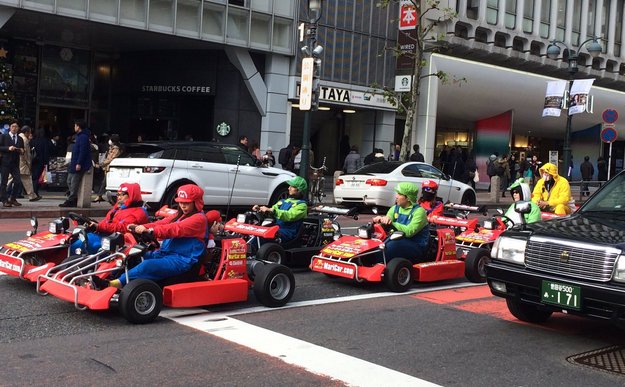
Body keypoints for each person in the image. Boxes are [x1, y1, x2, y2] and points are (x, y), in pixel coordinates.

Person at [96, 184, 213, 289]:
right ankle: (106, 277)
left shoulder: (198, 219)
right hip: (164, 253)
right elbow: (160, 223)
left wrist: (151, 231)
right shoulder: (180, 215)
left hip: (182, 259)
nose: (182, 205)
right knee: (132, 255)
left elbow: (174, 229)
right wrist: (140, 227)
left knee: (148, 265)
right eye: (181, 202)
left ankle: (113, 284)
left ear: (196, 202)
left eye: (186, 203)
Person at [72, 182, 149, 254]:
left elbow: (123, 228)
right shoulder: (118, 209)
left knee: (85, 242)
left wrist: (99, 226)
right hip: (108, 237)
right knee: (73, 239)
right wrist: (93, 224)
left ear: (132, 195)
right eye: (118, 195)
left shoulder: (139, 212)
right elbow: (106, 222)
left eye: (122, 195)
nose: (119, 197)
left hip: (121, 243)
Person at [372, 182, 429, 263]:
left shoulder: (419, 211)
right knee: (374, 241)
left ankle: (378, 265)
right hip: (396, 239)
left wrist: (392, 223)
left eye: (399, 194)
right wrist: (379, 220)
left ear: (408, 198)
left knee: (390, 246)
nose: (396, 196)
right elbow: (387, 220)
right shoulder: (395, 208)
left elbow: (409, 232)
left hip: (416, 245)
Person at [252, 176, 308, 242]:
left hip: (288, 232)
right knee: (254, 231)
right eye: (289, 186)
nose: (288, 188)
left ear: (299, 190)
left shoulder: (302, 205)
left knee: (262, 237)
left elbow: (289, 215)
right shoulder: (283, 201)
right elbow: (271, 210)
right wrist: (260, 210)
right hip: (277, 228)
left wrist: (273, 211)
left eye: (292, 186)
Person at [60, 120, 91, 207]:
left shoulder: (83, 137)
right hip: (74, 163)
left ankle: (72, 199)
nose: (74, 127)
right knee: (69, 181)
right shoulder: (79, 137)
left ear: (78, 127)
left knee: (74, 182)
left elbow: (83, 151)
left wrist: (79, 163)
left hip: (78, 164)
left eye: (75, 126)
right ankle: (72, 198)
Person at [0, 120, 25, 208]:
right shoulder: (3, 136)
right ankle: (4, 200)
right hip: (5, 162)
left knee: (18, 181)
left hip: (15, 163)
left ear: (18, 129)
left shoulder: (20, 138)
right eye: (13, 126)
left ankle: (13, 198)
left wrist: (22, 151)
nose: (14, 128)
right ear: (10, 128)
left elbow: (22, 149)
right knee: (4, 182)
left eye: (16, 127)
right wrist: (8, 148)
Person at [93, 134, 122, 202]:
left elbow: (111, 158)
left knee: (104, 182)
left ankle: (99, 196)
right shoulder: (112, 148)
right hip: (107, 167)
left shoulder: (116, 149)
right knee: (104, 182)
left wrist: (102, 164)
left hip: (111, 168)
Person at [18, 126, 40, 202]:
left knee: (9, 179)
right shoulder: (25, 140)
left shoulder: (18, 137)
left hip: (16, 162)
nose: (30, 134)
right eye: (29, 132)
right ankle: (32, 196)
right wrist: (29, 164)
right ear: (26, 132)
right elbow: (26, 154)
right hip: (23, 163)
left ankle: (2, 193)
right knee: (27, 179)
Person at [30, 127, 52, 199]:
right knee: (39, 177)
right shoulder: (45, 141)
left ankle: (32, 192)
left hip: (33, 161)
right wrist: (46, 162)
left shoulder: (32, 141)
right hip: (41, 161)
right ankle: (35, 192)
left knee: (34, 177)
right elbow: (47, 151)